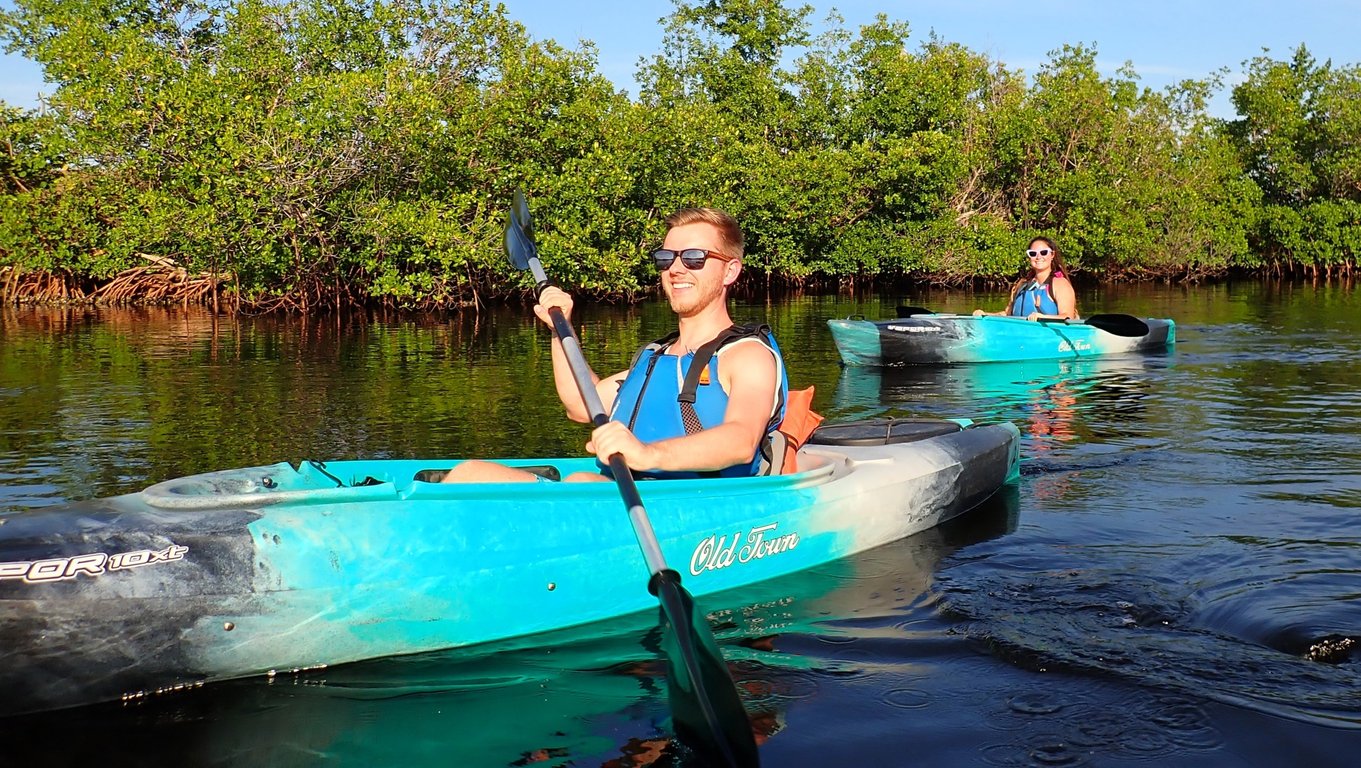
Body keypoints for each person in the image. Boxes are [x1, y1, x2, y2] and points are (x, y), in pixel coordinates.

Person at [442, 207, 788, 483]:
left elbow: (741, 440)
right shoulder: (655, 358)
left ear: (730, 271)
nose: (676, 269)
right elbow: (581, 405)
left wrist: (646, 454)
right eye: (666, 258)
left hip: (697, 508)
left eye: (694, 257)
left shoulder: (747, 355)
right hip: (619, 496)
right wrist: (560, 329)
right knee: (470, 474)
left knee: (581, 481)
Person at [972, 236, 1078, 321]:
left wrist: (1042, 317)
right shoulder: (1022, 284)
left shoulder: (1060, 284)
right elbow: (1007, 314)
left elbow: (1067, 316)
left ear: (1052, 254)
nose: (1038, 257)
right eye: (1033, 254)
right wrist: (985, 315)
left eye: (1043, 252)